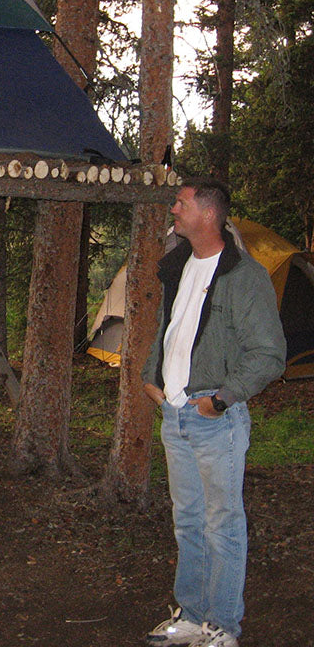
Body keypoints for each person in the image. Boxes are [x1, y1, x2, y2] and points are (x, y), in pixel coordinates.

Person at [143, 178, 286, 647]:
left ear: (208, 214)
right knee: (187, 521)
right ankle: (192, 615)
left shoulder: (245, 277)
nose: (173, 209)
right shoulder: (179, 264)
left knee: (222, 523)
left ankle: (222, 627)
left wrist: (221, 399)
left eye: (180, 203)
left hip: (215, 420)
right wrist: (151, 375)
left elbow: (268, 354)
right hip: (176, 416)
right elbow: (170, 327)